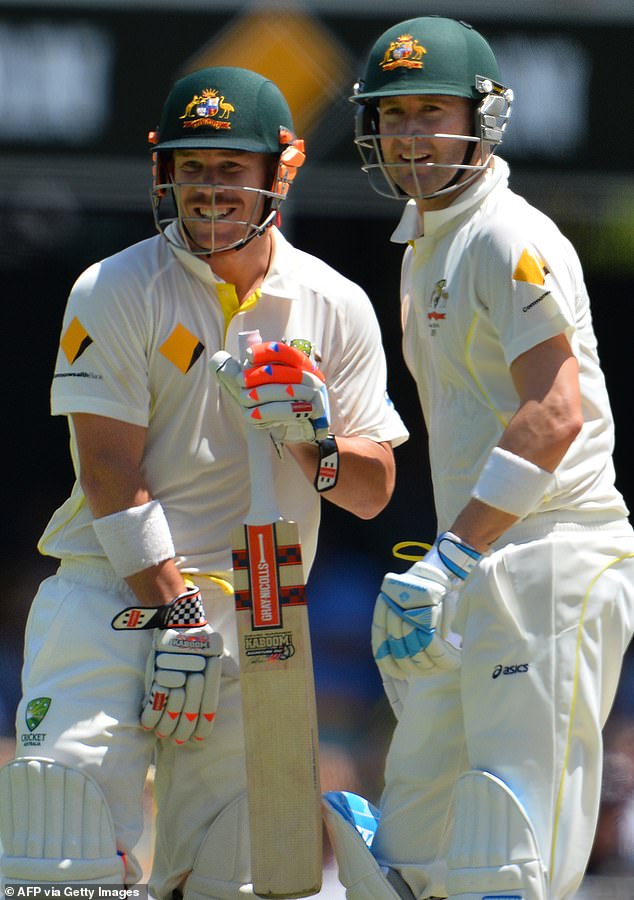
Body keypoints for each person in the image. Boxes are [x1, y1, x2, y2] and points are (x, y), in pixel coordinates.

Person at [0, 66, 408, 898]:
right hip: (112, 595)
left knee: (240, 875)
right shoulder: (115, 288)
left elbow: (369, 490)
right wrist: (174, 610)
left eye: (230, 167)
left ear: (280, 170)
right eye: (191, 168)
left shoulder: (336, 304)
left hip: (259, 614)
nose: (208, 190)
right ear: (162, 171)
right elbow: (110, 471)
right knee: (59, 834)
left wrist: (311, 440)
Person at [322, 16, 634, 900]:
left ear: (484, 119)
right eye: (393, 115)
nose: (411, 136)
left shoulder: (509, 235)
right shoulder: (425, 245)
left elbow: (554, 412)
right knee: (415, 844)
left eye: (432, 111)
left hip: (553, 557)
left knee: (508, 844)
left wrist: (447, 561)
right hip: (478, 558)